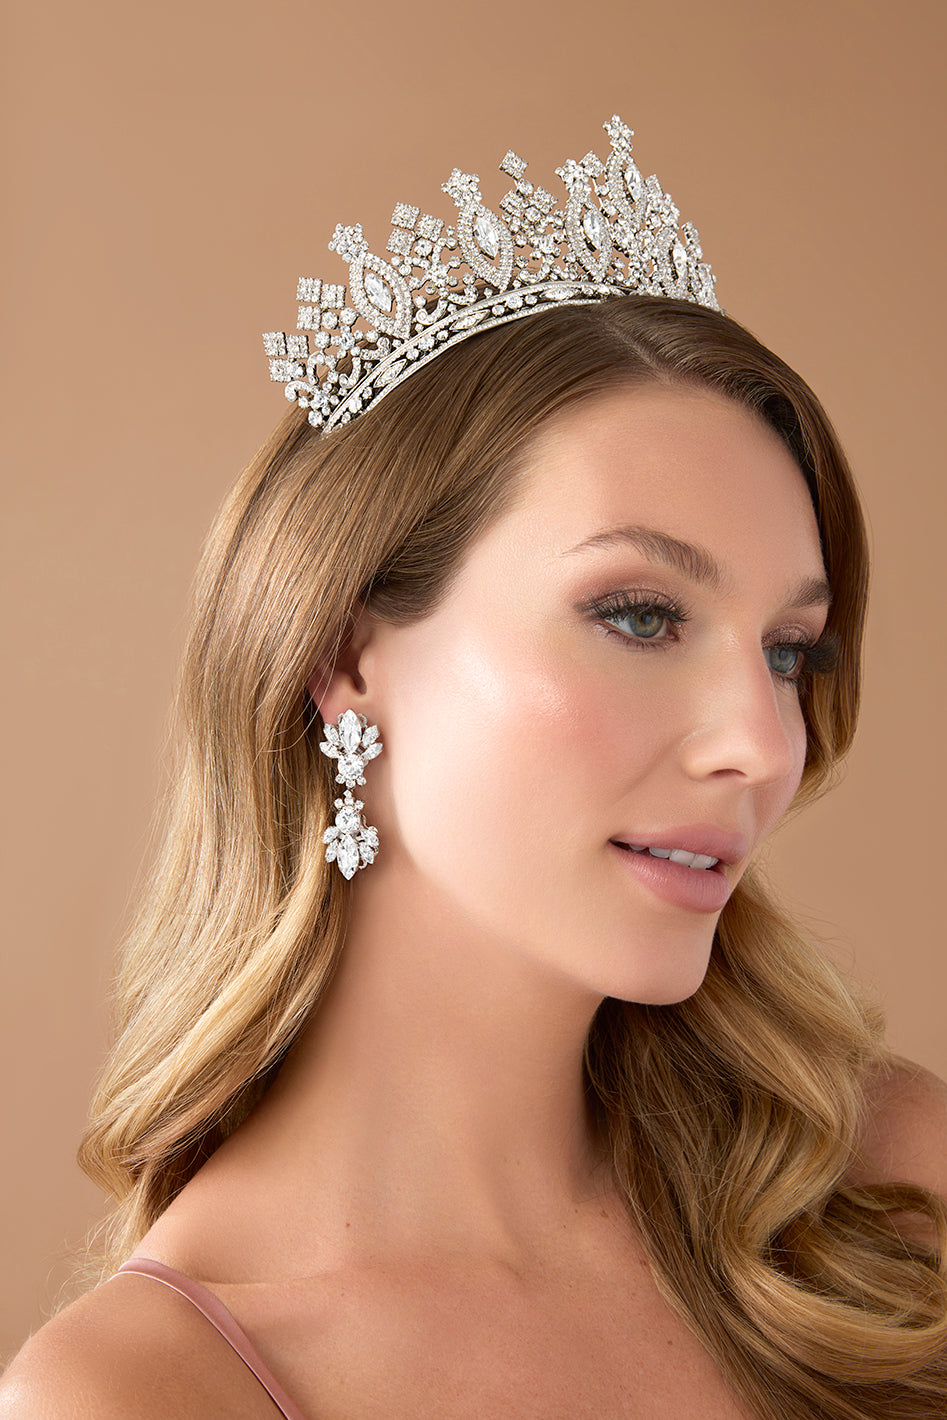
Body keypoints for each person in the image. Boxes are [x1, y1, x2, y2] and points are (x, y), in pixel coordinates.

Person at [3, 118, 946, 1420]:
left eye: (791, 650)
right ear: (347, 651)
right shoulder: (154, 1392)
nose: (763, 744)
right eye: (640, 615)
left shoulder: (886, 1201)